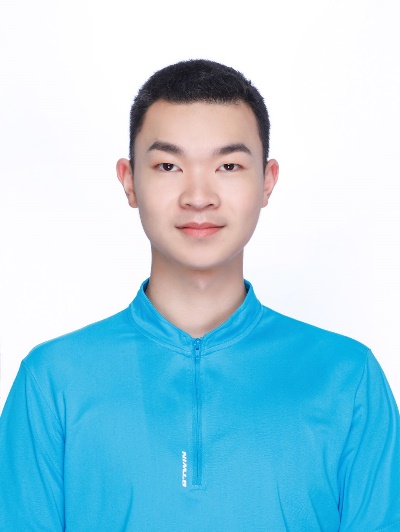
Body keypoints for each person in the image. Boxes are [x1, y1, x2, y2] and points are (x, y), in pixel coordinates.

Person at [0, 59, 399, 531]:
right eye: (168, 165)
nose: (198, 196)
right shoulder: (52, 382)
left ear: (267, 180)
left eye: (228, 166)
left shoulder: (348, 379)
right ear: (129, 180)